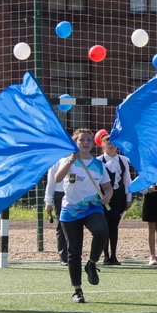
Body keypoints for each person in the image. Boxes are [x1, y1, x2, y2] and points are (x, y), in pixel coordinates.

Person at [56, 129, 113, 303]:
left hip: (92, 207)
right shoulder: (68, 161)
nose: (86, 143)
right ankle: (77, 291)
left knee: (102, 232)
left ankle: (92, 263)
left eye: (89, 140)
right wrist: (71, 161)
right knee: (74, 251)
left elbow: (108, 188)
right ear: (75, 143)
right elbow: (58, 179)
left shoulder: (98, 165)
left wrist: (107, 197)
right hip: (71, 210)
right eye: (82, 140)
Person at [99, 140, 132, 266]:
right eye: (107, 141)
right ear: (102, 144)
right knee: (105, 226)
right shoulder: (98, 160)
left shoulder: (123, 160)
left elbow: (127, 179)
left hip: (119, 196)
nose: (111, 144)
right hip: (104, 196)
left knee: (114, 226)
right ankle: (105, 255)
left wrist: (128, 198)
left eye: (113, 141)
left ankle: (113, 255)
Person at [43, 164, 68, 266]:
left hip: (76, 194)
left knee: (76, 225)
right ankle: (63, 256)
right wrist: (48, 201)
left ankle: (74, 254)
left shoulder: (80, 158)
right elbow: (51, 182)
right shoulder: (57, 160)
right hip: (60, 194)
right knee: (62, 225)